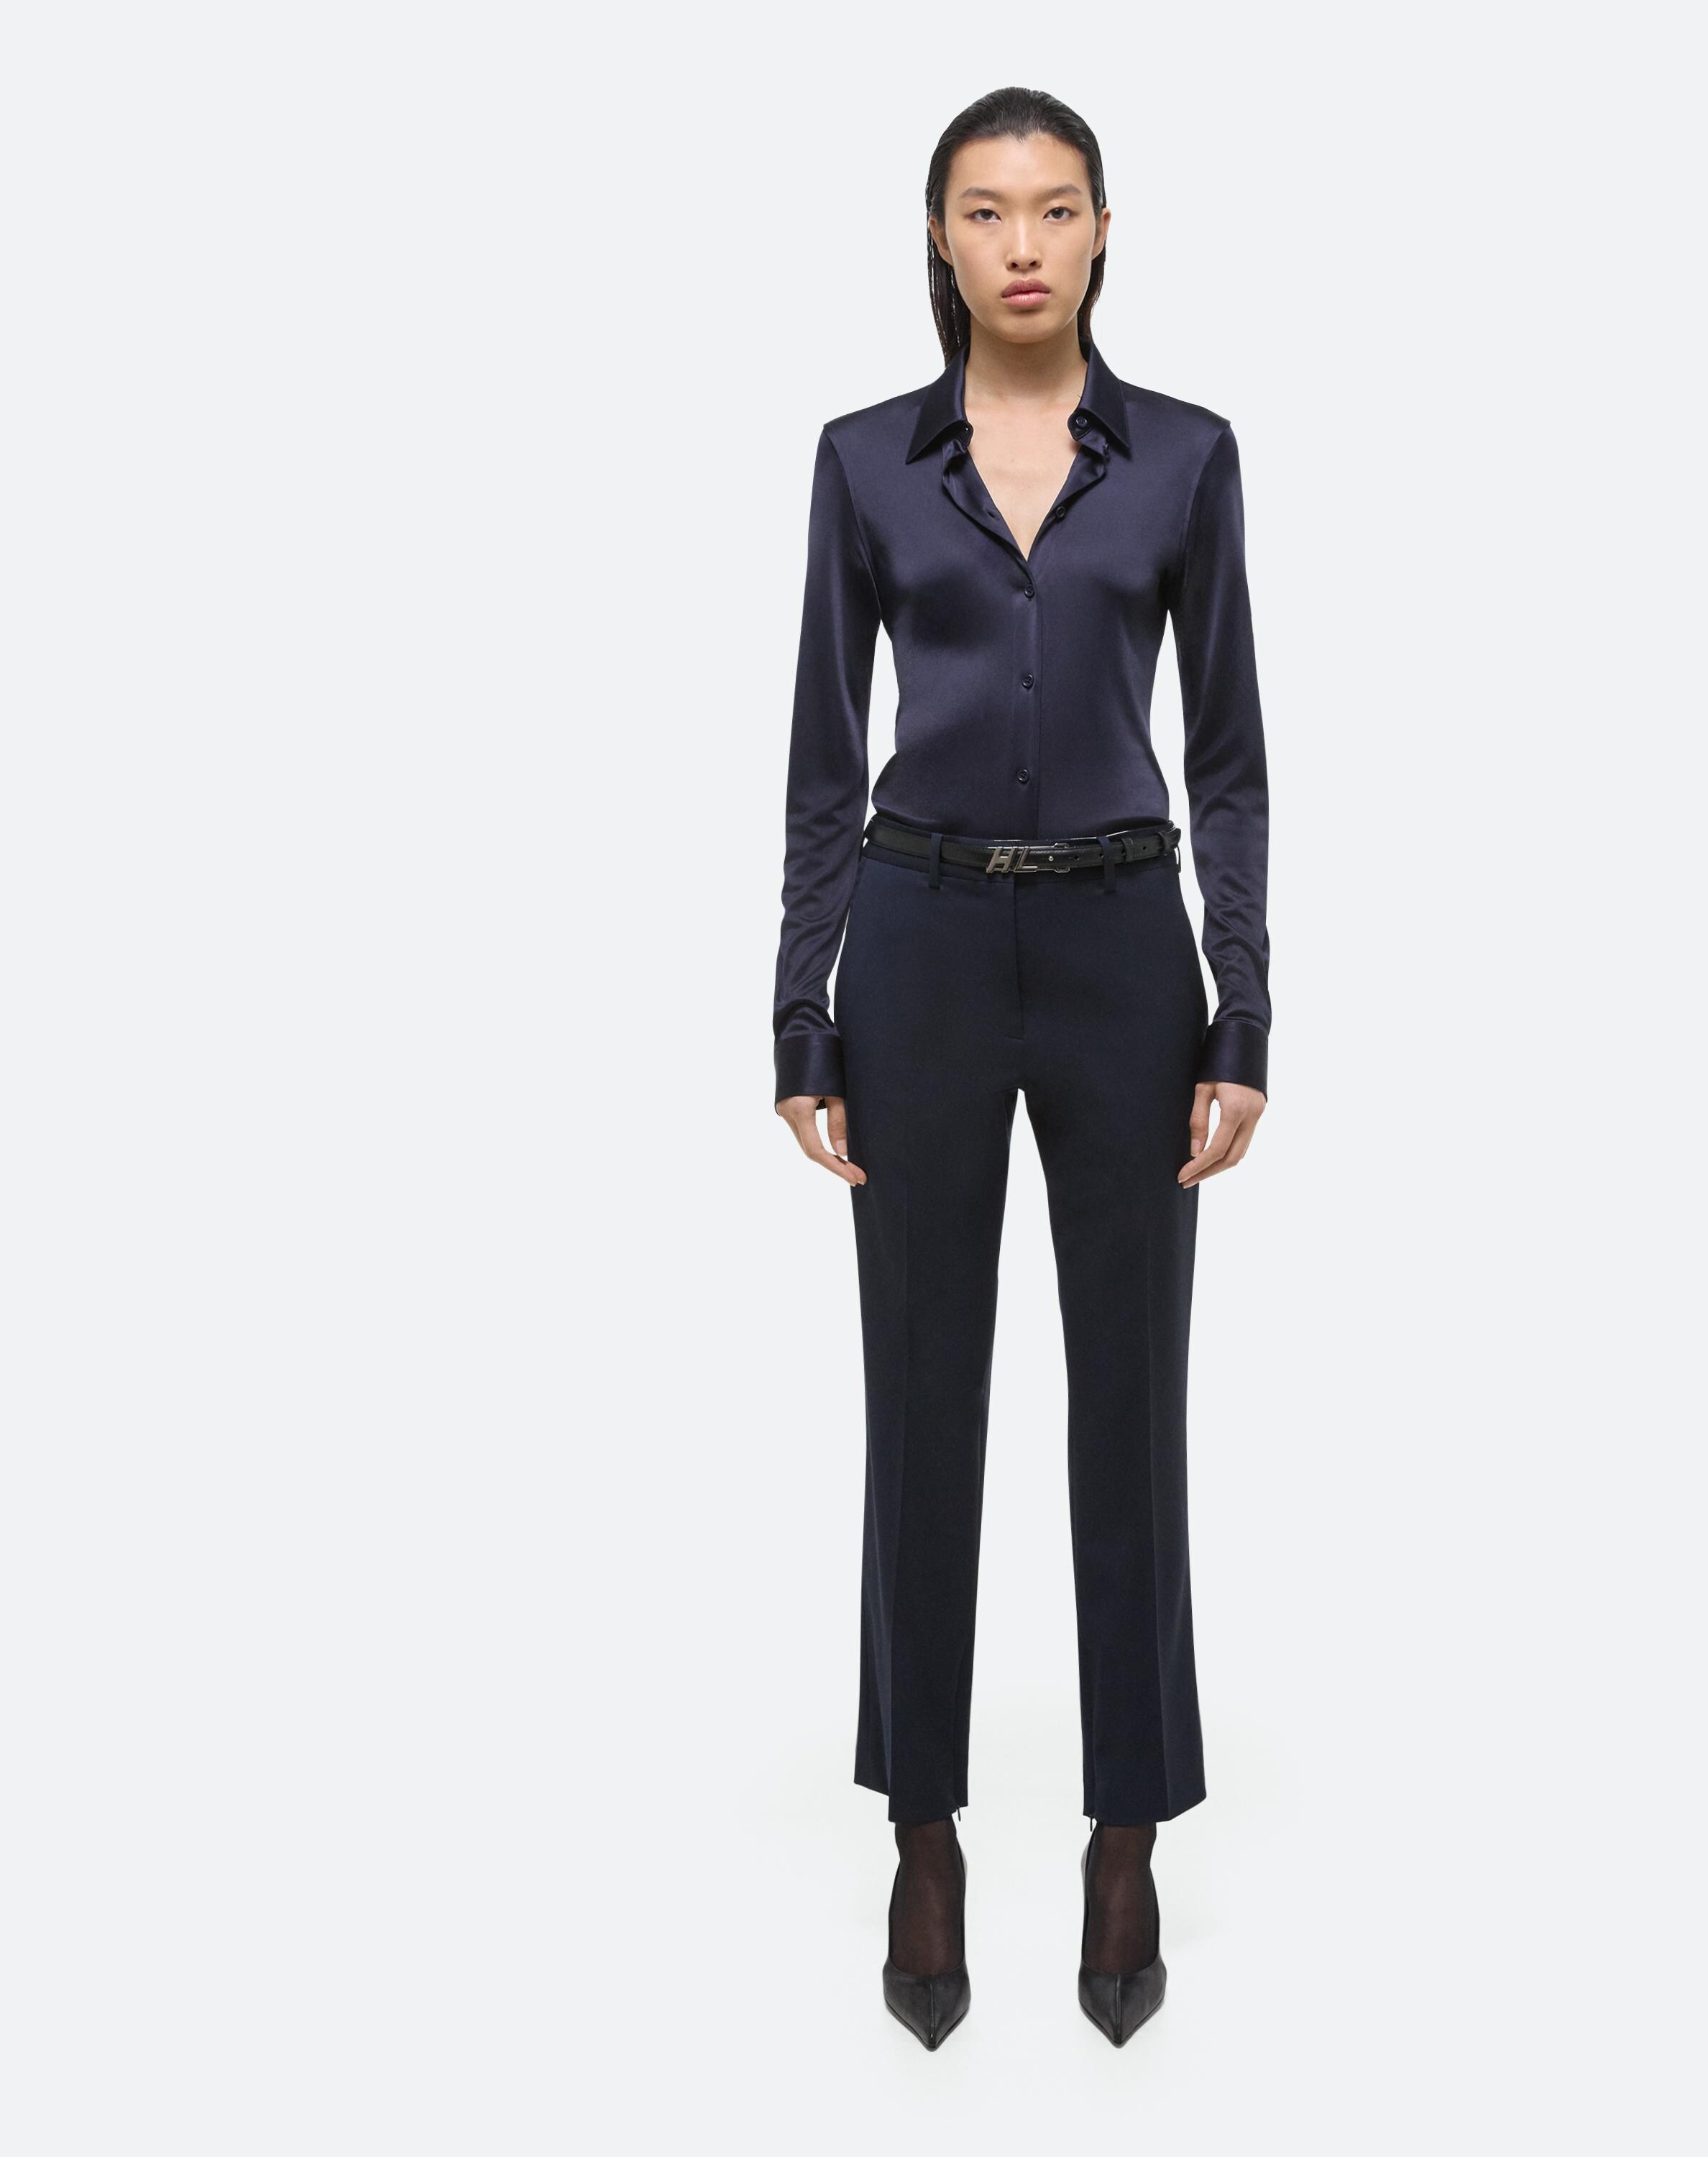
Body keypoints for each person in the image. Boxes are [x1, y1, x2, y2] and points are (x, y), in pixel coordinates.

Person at [768, 85, 1272, 2050]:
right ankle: (924, 1827)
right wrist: (801, 1012)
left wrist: (1242, 1012)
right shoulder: (864, 466)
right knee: (922, 1398)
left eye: (1057, 208)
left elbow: (1228, 756)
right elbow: (825, 756)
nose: (1025, 244)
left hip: (1124, 947)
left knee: (1131, 1405)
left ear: (1106, 230)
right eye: (987, 212)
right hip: (917, 944)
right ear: (939, 237)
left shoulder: (1188, 459)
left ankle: (1127, 1828)